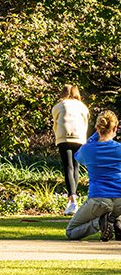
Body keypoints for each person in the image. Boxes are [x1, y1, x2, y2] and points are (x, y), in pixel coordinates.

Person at [66, 110, 121, 241]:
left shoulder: (87, 150)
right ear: (115, 128)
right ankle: (116, 222)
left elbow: (77, 157)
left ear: (97, 128)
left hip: (99, 200)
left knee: (71, 231)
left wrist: (95, 136)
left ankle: (99, 223)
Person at [51, 84, 89, 215]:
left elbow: (55, 121)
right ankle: (73, 198)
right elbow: (85, 122)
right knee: (76, 167)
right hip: (79, 138)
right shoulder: (82, 107)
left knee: (68, 167)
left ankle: (72, 200)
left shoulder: (59, 105)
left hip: (64, 138)